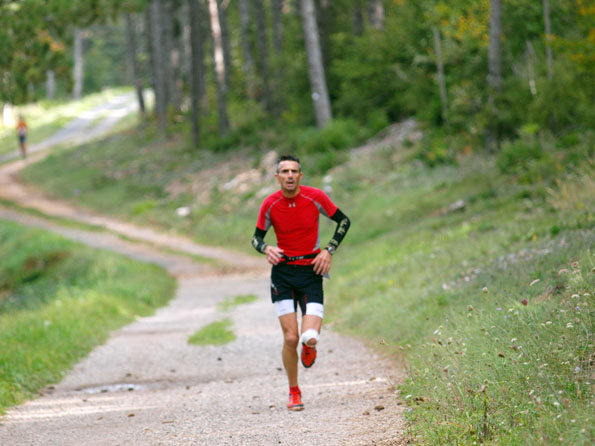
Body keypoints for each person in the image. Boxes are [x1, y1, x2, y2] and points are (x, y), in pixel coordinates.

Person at [251, 155, 351, 411]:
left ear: (300, 176)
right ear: (277, 177)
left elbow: (344, 221)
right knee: (291, 338)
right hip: (282, 274)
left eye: (294, 171)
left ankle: (310, 346)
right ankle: (294, 391)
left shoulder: (315, 197)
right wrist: (266, 248)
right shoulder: (270, 203)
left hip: (311, 271)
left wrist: (329, 250)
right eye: (284, 171)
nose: (290, 176)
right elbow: (255, 239)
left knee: (309, 336)